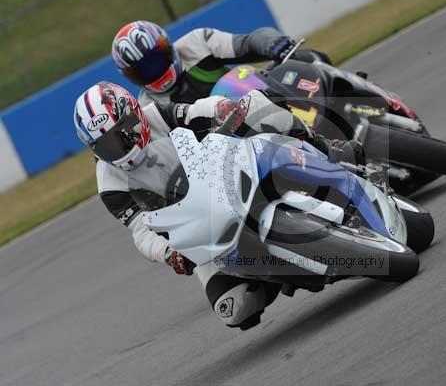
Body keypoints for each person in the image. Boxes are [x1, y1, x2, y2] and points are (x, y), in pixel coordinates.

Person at [73, 81, 363, 330]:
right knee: (235, 311)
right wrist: (169, 254)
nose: (120, 148)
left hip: (223, 175)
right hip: (198, 230)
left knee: (257, 104)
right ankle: (274, 275)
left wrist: (220, 108)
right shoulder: (110, 185)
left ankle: (328, 150)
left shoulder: (157, 116)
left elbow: (197, 109)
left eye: (121, 133)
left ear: (133, 116)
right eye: (106, 146)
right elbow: (140, 231)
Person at [111, 20, 331, 107]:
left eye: (156, 61)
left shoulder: (197, 42)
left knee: (307, 59)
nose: (154, 71)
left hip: (260, 101)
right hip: (231, 153)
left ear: (169, 47)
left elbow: (247, 42)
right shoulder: (149, 108)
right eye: (143, 70)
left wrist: (273, 43)